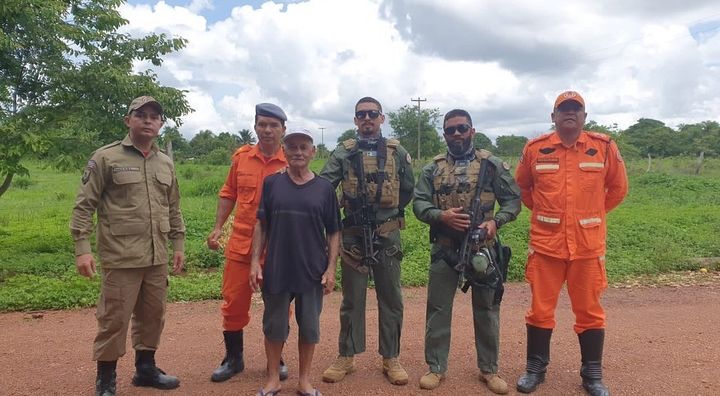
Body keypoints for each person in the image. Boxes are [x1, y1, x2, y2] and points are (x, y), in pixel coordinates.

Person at [514, 91, 628, 396]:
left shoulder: (603, 148)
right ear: (553, 117)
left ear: (584, 117)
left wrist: (591, 214)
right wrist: (544, 213)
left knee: (590, 311)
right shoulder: (536, 149)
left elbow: (618, 189)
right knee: (540, 310)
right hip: (546, 246)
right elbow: (523, 187)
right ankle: (535, 368)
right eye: (563, 109)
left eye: (575, 109)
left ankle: (592, 373)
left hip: (587, 247)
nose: (569, 113)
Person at [70, 96, 185, 396]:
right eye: (141, 115)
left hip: (156, 255)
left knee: (153, 314)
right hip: (121, 256)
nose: (148, 120)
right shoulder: (106, 158)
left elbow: (173, 207)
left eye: (154, 116)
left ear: (160, 124)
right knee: (114, 318)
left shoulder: (165, 163)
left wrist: (179, 244)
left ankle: (145, 369)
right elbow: (84, 206)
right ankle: (105, 379)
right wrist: (82, 247)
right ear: (128, 120)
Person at [412, 109, 521, 393]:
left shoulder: (492, 165)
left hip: (481, 249)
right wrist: (441, 216)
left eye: (462, 128)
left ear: (472, 130)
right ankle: (436, 367)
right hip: (445, 249)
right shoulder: (431, 169)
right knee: (438, 309)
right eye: (451, 130)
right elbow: (419, 205)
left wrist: (496, 222)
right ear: (444, 134)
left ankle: (489, 369)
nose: (457, 134)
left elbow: (513, 202)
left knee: (486, 309)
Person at [319, 97, 415, 386]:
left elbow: (408, 189)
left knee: (391, 298)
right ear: (355, 120)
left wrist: (388, 214)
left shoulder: (397, 153)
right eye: (361, 114)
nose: (367, 118)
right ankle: (346, 356)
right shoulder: (344, 153)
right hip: (353, 238)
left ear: (382, 118)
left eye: (372, 113)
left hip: (387, 235)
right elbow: (324, 186)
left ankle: (391, 357)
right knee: (352, 299)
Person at [250, 128, 342, 396]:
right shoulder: (272, 183)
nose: (298, 152)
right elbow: (261, 224)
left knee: (310, 327)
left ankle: (304, 381)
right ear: (284, 152)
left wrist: (331, 268)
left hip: (311, 270)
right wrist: (255, 262)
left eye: (304, 147)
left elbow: (334, 230)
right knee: (274, 326)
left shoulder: (324, 189)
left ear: (313, 152)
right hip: (278, 268)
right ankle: (272, 379)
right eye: (292, 147)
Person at [206, 103, 290, 382]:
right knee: (233, 303)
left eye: (273, 125)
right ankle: (233, 359)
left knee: (279, 305)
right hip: (241, 246)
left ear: (283, 130)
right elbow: (228, 192)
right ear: (255, 126)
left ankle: (275, 359)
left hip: (279, 248)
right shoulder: (241, 158)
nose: (267, 130)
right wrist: (218, 227)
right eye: (262, 124)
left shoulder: (291, 161)